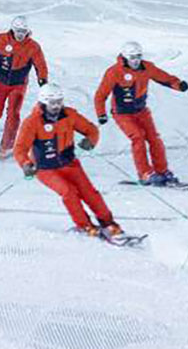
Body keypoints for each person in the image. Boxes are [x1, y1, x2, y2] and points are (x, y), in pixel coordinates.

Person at [14, 84, 122, 237]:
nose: (56, 106)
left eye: (59, 102)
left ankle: (108, 223)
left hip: (69, 164)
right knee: (69, 192)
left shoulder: (69, 115)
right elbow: (20, 148)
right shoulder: (32, 122)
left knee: (89, 193)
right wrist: (25, 164)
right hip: (45, 169)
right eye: (52, 103)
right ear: (43, 103)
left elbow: (91, 129)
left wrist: (91, 140)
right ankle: (84, 226)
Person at [94, 40, 188, 185]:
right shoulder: (114, 72)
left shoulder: (147, 67)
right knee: (138, 137)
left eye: (138, 56)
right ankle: (145, 173)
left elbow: (164, 78)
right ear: (125, 57)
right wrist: (101, 114)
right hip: (122, 113)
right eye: (132, 57)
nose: (136, 60)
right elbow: (100, 95)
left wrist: (178, 85)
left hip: (141, 110)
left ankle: (162, 171)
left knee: (154, 139)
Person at [0, 15, 48, 159]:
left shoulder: (33, 47)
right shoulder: (0, 40)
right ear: (13, 29)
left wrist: (42, 79)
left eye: (23, 31)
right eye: (18, 31)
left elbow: (41, 64)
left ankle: (6, 146)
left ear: (28, 31)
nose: (20, 34)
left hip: (18, 85)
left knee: (13, 115)